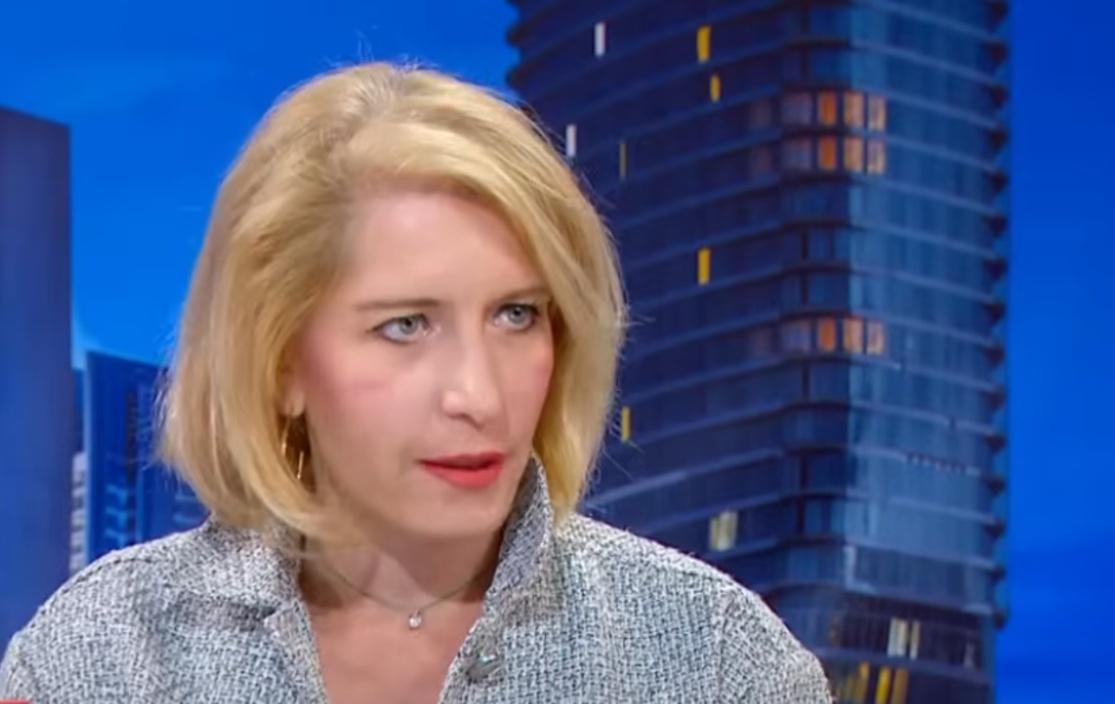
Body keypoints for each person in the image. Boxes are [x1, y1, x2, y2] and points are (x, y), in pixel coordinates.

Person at [0, 62, 831, 703]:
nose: (479, 395)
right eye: (405, 326)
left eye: (516, 315)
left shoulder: (713, 660)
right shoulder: (106, 655)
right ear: (281, 362)